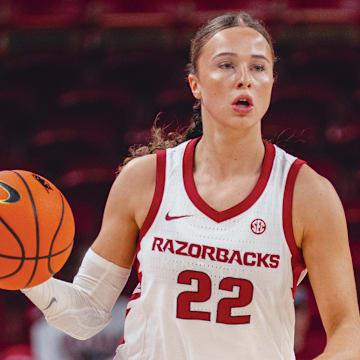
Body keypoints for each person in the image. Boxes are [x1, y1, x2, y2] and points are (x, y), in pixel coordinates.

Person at [20, 11, 360, 360]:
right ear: (194, 83)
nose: (244, 78)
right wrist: (24, 272)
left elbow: (348, 331)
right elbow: (87, 314)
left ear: (272, 82)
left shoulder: (307, 194)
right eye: (226, 65)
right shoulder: (144, 180)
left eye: (258, 67)